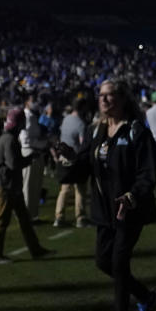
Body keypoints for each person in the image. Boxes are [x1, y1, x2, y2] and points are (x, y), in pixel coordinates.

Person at [89, 79, 156, 311]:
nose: (104, 100)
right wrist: (68, 157)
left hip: (129, 210)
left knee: (119, 263)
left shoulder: (136, 130)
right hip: (104, 210)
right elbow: (86, 165)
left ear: (122, 99)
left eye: (110, 95)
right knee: (103, 262)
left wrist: (133, 195)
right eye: (101, 95)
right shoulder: (97, 130)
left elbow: (147, 172)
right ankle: (146, 297)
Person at [0, 107, 54, 264]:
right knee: (2, 221)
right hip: (6, 186)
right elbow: (13, 164)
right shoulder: (10, 139)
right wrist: (30, 157)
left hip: (10, 185)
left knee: (24, 219)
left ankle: (35, 249)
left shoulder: (7, 137)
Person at [53, 97, 91, 228]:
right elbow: (82, 144)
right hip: (75, 158)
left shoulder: (66, 119)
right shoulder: (81, 123)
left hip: (64, 157)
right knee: (80, 189)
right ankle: (80, 218)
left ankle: (59, 217)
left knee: (64, 189)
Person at [19, 92, 49, 222]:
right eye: (33, 100)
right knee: (28, 186)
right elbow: (25, 140)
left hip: (36, 152)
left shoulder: (32, 116)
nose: (35, 102)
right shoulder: (26, 116)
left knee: (36, 186)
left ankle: (33, 215)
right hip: (30, 152)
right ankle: (26, 216)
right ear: (27, 102)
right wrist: (43, 143)